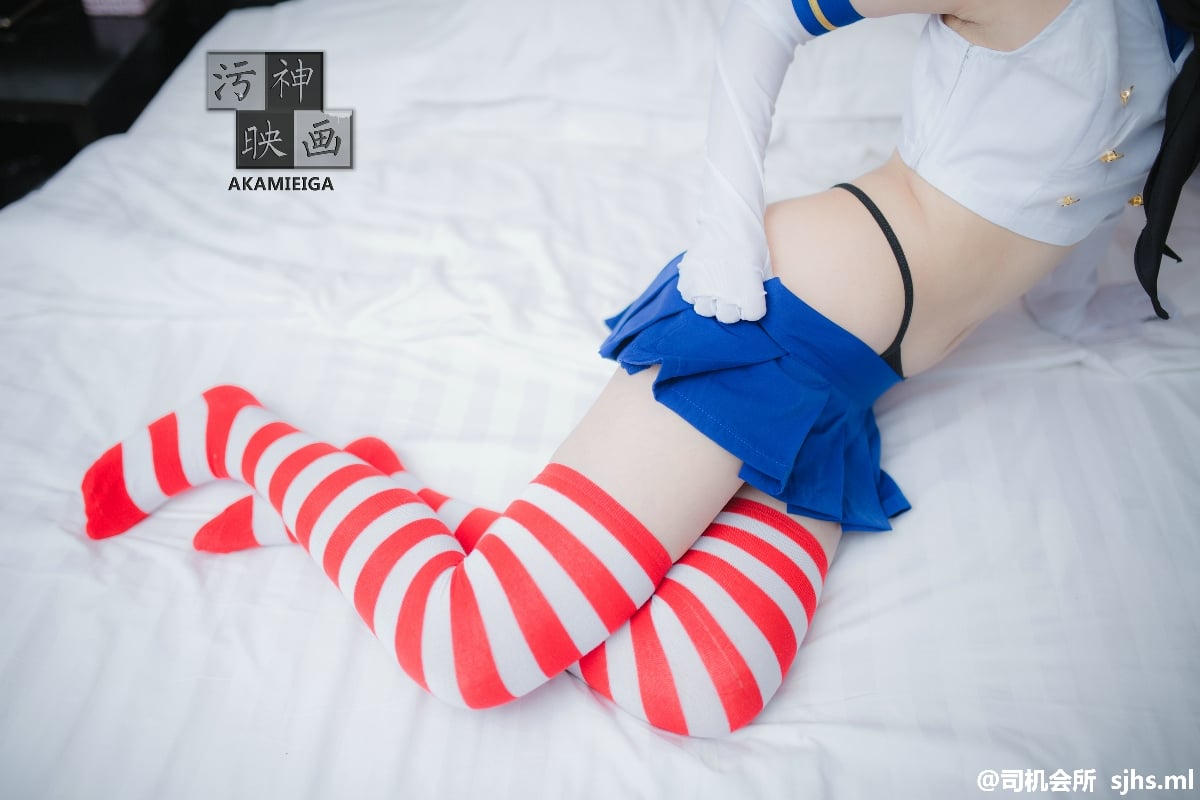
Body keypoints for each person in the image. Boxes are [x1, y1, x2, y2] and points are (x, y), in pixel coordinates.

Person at [80, 0, 1194, 737]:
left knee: (708, 686)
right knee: (472, 650)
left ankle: (409, 510)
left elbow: (1071, 194)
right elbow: (765, 17)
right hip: (785, 312)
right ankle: (247, 440)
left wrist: (1087, 312)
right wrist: (725, 233)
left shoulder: (1167, 32)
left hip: (852, 386)